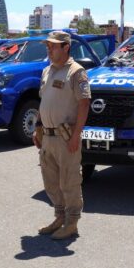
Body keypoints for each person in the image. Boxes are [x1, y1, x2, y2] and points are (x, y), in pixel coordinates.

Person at [33, 31, 91, 239]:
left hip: (66, 138)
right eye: (48, 46)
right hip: (47, 136)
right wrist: (38, 126)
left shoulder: (76, 72)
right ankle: (59, 216)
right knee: (51, 180)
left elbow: (84, 104)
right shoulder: (47, 71)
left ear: (66, 47)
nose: (49, 49)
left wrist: (77, 135)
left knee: (69, 181)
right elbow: (43, 101)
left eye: (53, 46)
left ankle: (72, 221)